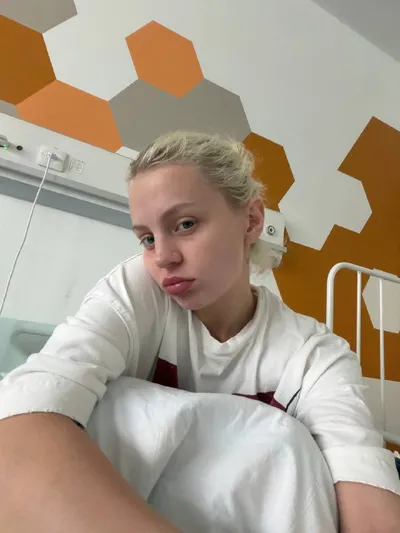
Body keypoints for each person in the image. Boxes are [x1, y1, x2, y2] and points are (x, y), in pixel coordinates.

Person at [0, 131, 399, 533]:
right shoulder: (137, 291)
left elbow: (366, 499)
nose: (163, 257)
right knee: (111, 403)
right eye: (147, 238)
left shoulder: (315, 356)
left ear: (251, 220)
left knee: (295, 447)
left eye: (185, 224)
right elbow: (22, 421)